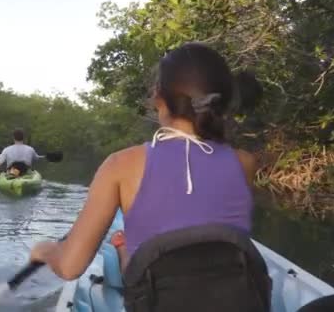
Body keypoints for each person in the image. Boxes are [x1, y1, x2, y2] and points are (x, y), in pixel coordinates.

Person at [30, 42, 265, 311]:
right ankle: (125, 249)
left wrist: (46, 251)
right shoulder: (245, 163)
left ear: (158, 99)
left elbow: (70, 268)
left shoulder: (120, 165)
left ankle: (124, 249)